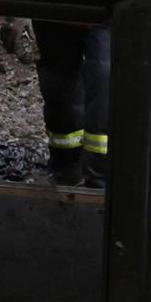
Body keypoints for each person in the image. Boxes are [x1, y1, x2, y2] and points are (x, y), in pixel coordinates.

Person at [35, 21, 111, 189]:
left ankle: (94, 177)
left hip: (97, 14)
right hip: (58, 14)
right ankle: (71, 171)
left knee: (102, 79)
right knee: (61, 85)